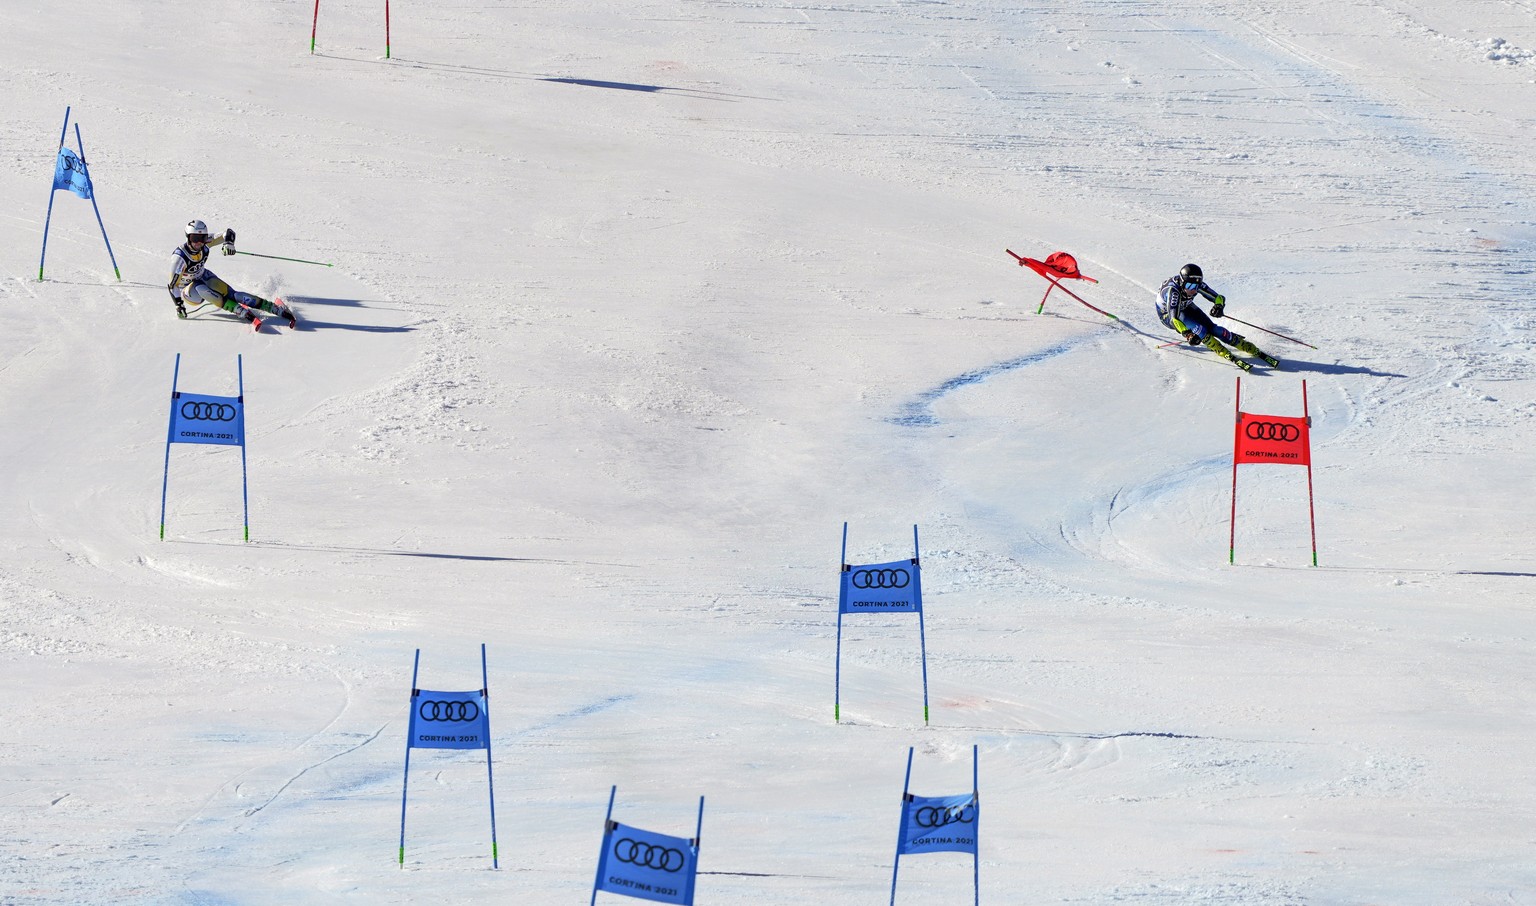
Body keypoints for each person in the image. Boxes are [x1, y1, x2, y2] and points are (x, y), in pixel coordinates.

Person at [168, 220, 295, 329]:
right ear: (188, 237)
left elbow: (227, 233)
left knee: (235, 295)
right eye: (194, 238)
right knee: (201, 288)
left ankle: (271, 307)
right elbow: (172, 285)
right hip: (188, 291)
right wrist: (179, 306)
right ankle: (237, 310)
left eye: (202, 238)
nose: (199, 242)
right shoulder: (180, 258)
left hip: (203, 276)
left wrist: (228, 243)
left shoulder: (205, 242)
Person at [1156, 263, 1276, 371]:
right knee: (1200, 330)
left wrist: (1219, 306)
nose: (1193, 290)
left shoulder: (1195, 285)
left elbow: (1218, 297)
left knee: (1214, 329)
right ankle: (1219, 349)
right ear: (1182, 282)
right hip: (1168, 315)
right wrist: (1187, 334)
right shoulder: (1173, 292)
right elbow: (1174, 318)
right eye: (1190, 286)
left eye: (1196, 287)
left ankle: (1244, 345)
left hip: (1185, 306)